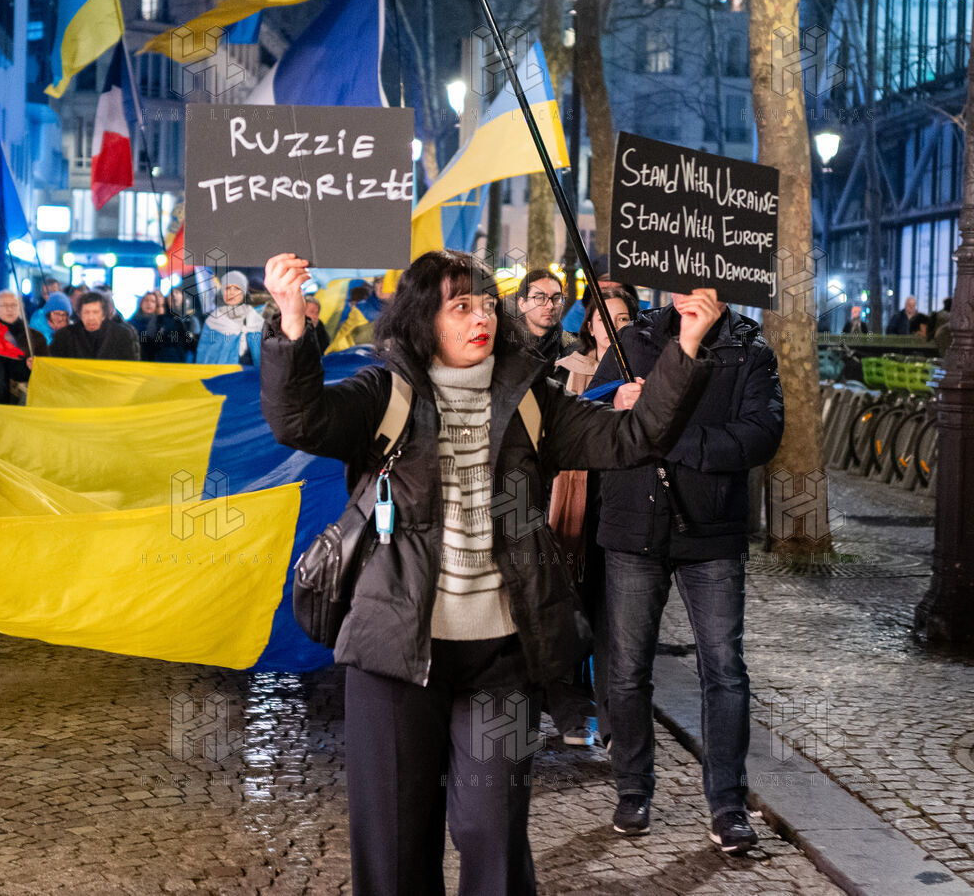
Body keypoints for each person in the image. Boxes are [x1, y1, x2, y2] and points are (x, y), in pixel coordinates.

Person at [260, 249, 718, 896]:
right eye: (460, 307)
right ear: (423, 317)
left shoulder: (532, 399)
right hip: (394, 654)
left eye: (485, 305)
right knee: (393, 848)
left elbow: (634, 437)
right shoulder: (384, 393)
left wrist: (686, 345)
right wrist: (289, 321)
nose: (480, 318)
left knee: (494, 836)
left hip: (502, 659)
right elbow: (298, 420)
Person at [593, 297, 784, 851]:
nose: (688, 290)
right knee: (628, 668)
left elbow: (761, 434)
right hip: (632, 524)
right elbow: (586, 412)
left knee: (724, 669)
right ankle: (633, 789)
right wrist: (615, 402)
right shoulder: (634, 339)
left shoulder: (750, 349)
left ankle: (727, 803)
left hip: (712, 532)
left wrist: (671, 437)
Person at [546, 286, 639, 746]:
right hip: (575, 507)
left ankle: (610, 720)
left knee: (611, 619)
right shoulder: (568, 370)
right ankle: (569, 708)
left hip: (622, 507)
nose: (612, 327)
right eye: (604, 318)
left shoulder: (642, 372)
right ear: (590, 325)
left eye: (622, 319)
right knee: (569, 608)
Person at [514, 270, 577, 376]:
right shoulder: (505, 347)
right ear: (522, 304)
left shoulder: (576, 351)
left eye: (557, 298)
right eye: (540, 298)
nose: (550, 306)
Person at [48, 291, 140, 361]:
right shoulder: (64, 335)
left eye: (95, 312)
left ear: (103, 315)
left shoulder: (121, 335)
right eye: (86, 312)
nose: (91, 317)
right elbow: (51, 363)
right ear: (79, 315)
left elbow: (128, 367)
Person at [198, 271, 264, 366]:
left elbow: (263, 357)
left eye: (237, 288)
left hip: (251, 373)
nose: (231, 292)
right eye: (228, 288)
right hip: (221, 374)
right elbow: (203, 356)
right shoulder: (212, 322)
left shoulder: (255, 319)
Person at [0, 290, 49, 357]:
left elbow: (43, 362)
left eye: (13, 305)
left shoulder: (35, 337)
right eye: (4, 305)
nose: (9, 309)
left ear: (20, 308)